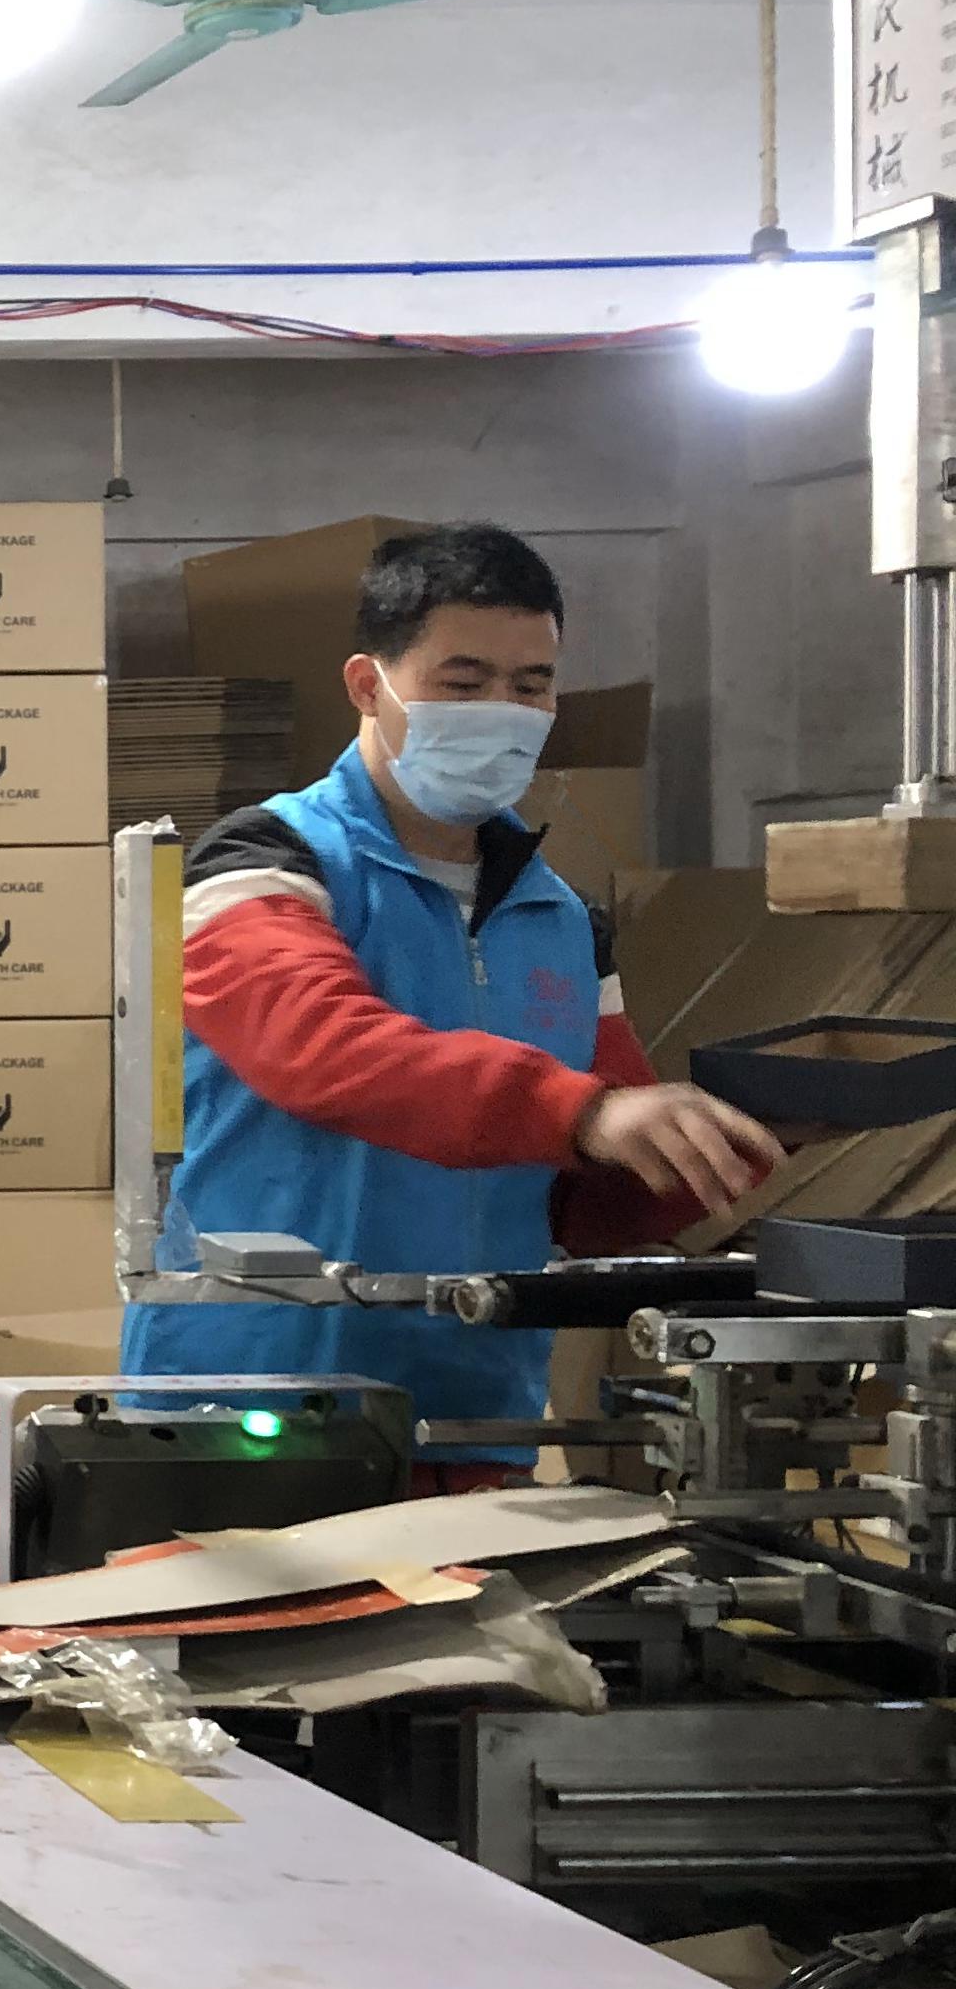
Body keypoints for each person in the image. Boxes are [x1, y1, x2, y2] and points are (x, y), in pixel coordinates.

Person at [123, 522, 782, 1467]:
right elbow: (322, 1049)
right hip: (250, 1413)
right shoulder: (261, 864)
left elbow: (589, 1195)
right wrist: (583, 1112)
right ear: (368, 685)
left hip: (476, 1418)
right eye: (464, 684)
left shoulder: (559, 916)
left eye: (531, 685)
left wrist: (746, 1136)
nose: (502, 712)